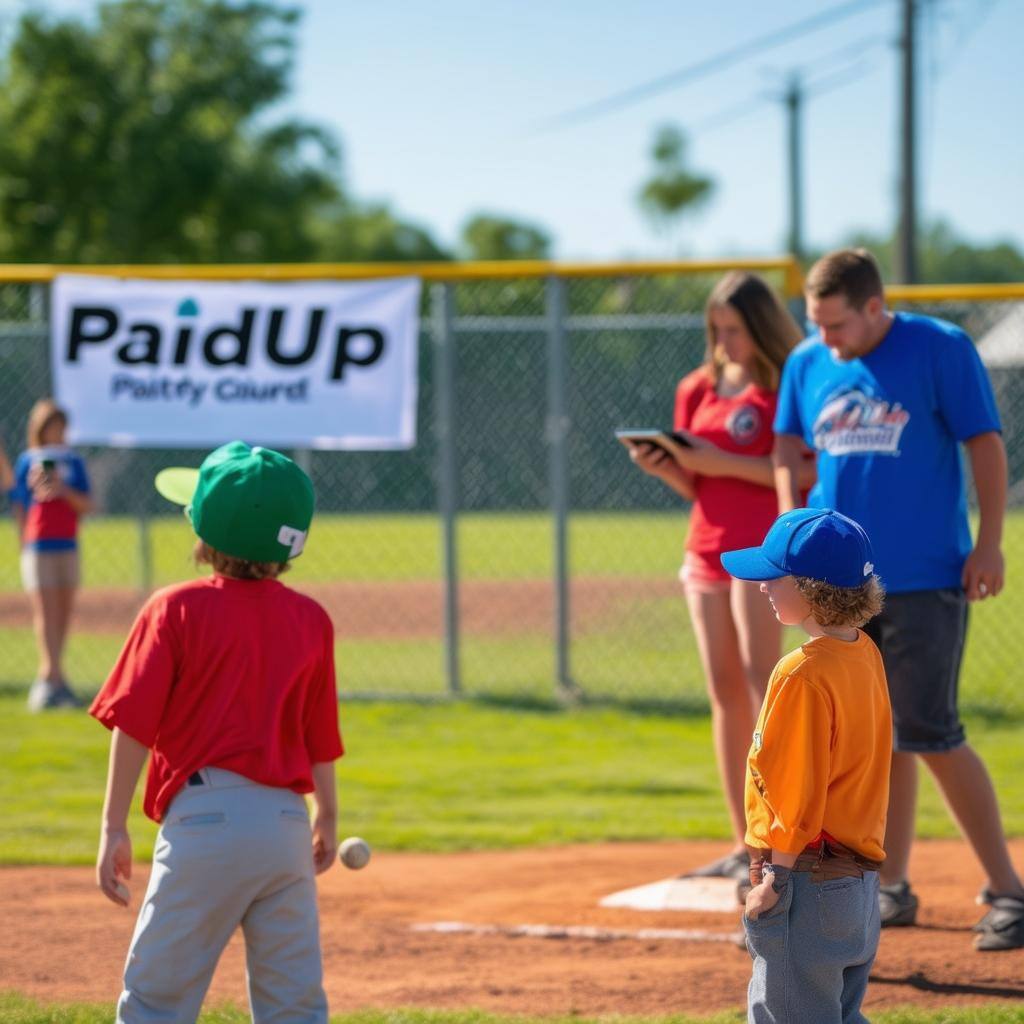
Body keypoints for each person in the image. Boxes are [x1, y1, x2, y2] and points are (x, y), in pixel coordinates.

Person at [772, 247, 1024, 951]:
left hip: (924, 576)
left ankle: (1010, 890)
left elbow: (986, 444)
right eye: (816, 324)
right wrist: (791, 536)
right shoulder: (807, 364)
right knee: (870, 742)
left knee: (931, 731)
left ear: (876, 306)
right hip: (840, 583)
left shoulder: (939, 348)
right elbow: (787, 453)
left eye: (837, 324)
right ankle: (891, 887)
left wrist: (991, 541)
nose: (826, 340)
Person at [90, 441, 344, 1022]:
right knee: (294, 1006)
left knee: (157, 1000)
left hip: (203, 822)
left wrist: (113, 825)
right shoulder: (311, 619)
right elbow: (319, 735)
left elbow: (131, 723)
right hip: (285, 827)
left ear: (205, 531)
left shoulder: (173, 609)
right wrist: (325, 815)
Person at [628, 271, 812, 884]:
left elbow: (802, 472)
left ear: (760, 326)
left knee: (765, 686)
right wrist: (665, 467)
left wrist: (717, 461)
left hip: (762, 552)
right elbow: (697, 482)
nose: (723, 341)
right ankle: (743, 841)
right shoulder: (697, 387)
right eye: (716, 329)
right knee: (725, 692)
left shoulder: (789, 379)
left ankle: (782, 834)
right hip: (704, 550)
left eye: (734, 329)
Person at [721, 507, 890, 1024]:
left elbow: (796, 788)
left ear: (813, 590)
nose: (763, 588)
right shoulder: (864, 654)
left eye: (775, 578)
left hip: (807, 880)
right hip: (857, 888)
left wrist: (775, 874)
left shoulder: (801, 673)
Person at [8, 398, 93, 710]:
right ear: (39, 430)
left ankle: (56, 679)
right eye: (51, 427)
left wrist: (63, 489)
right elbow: (19, 504)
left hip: (67, 543)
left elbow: (88, 505)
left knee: (63, 611)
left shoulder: (73, 461)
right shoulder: (27, 461)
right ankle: (50, 679)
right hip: (38, 544)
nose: (57, 433)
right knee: (44, 611)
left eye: (61, 427)